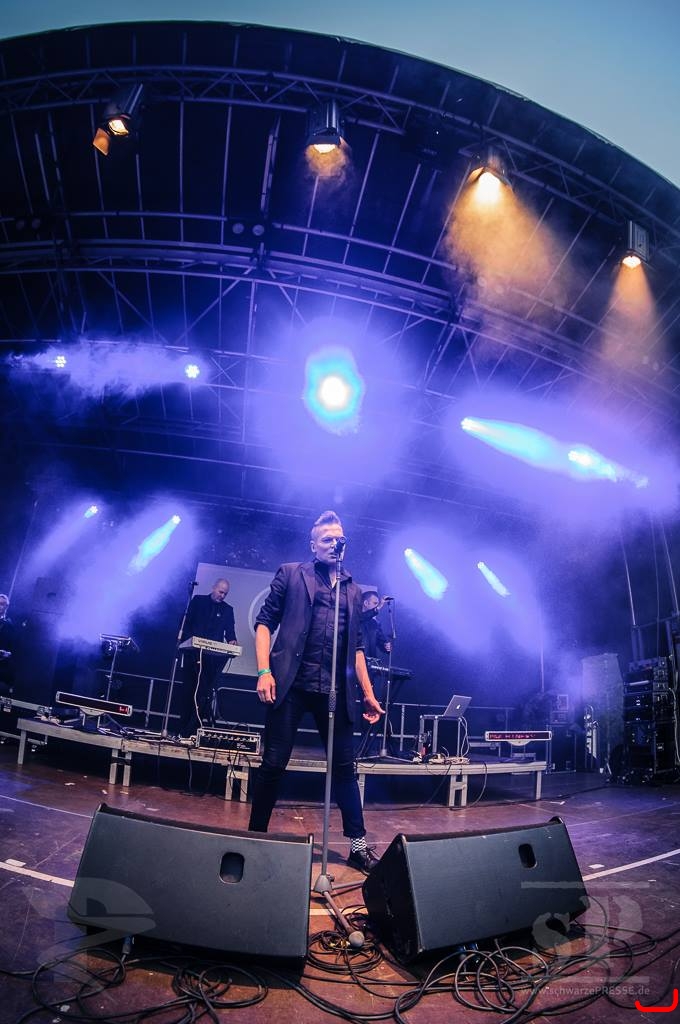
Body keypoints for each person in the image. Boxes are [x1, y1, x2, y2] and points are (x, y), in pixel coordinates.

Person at [248, 510, 385, 873]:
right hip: (291, 685)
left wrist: (368, 693)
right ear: (313, 546)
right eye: (327, 539)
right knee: (273, 763)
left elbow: (357, 648)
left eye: (339, 539)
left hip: (335, 691)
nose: (334, 544)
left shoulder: (353, 591)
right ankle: (255, 836)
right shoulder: (292, 573)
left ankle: (357, 847)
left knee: (344, 770)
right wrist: (263, 671)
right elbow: (264, 623)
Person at [178, 578, 237, 736]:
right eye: (220, 592)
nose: (222, 596)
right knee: (188, 692)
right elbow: (187, 623)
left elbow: (230, 632)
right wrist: (189, 642)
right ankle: (182, 730)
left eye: (225, 594)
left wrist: (232, 641)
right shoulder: (198, 601)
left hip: (211, 660)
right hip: (192, 655)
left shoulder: (227, 610)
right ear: (213, 588)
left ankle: (193, 732)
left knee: (204, 694)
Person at [360, 590, 392, 660]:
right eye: (375, 603)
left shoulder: (375, 623)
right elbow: (361, 618)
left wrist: (386, 646)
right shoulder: (354, 618)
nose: (376, 606)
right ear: (366, 603)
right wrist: (378, 607)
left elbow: (381, 642)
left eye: (377, 604)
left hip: (371, 661)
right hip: (356, 660)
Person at [0, 593, 17, 696]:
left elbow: (13, 648)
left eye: (2, 604)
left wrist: (6, 654)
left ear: (6, 607)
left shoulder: (9, 625)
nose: (0, 606)